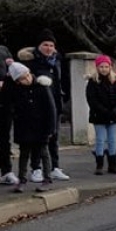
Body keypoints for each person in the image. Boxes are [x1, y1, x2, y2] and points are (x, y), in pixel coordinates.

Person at [23, 29, 70, 182]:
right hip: (37, 106)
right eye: (45, 45)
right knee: (39, 139)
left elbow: (62, 81)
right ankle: (36, 168)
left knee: (54, 137)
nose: (49, 48)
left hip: (55, 104)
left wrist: (63, 97)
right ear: (39, 46)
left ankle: (55, 167)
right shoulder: (31, 62)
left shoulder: (56, 61)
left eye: (51, 45)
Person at [6, 62, 56, 194]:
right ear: (17, 81)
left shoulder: (42, 87)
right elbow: (10, 103)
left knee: (44, 154)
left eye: (27, 75)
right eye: (22, 78)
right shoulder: (16, 90)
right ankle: (22, 180)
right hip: (24, 127)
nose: (27, 79)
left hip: (41, 127)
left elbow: (51, 110)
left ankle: (47, 179)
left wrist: (51, 128)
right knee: (24, 154)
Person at [85, 55, 116, 175]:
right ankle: (99, 164)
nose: (104, 69)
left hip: (113, 115)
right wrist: (104, 111)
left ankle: (113, 164)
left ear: (110, 67)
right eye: (101, 67)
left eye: (106, 66)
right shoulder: (93, 82)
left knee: (112, 140)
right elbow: (92, 100)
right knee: (100, 140)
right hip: (99, 116)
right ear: (97, 68)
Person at [0, 46, 16, 185]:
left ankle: (6, 171)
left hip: (4, 103)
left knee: (4, 139)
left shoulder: (4, 50)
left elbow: (14, 72)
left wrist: (6, 83)